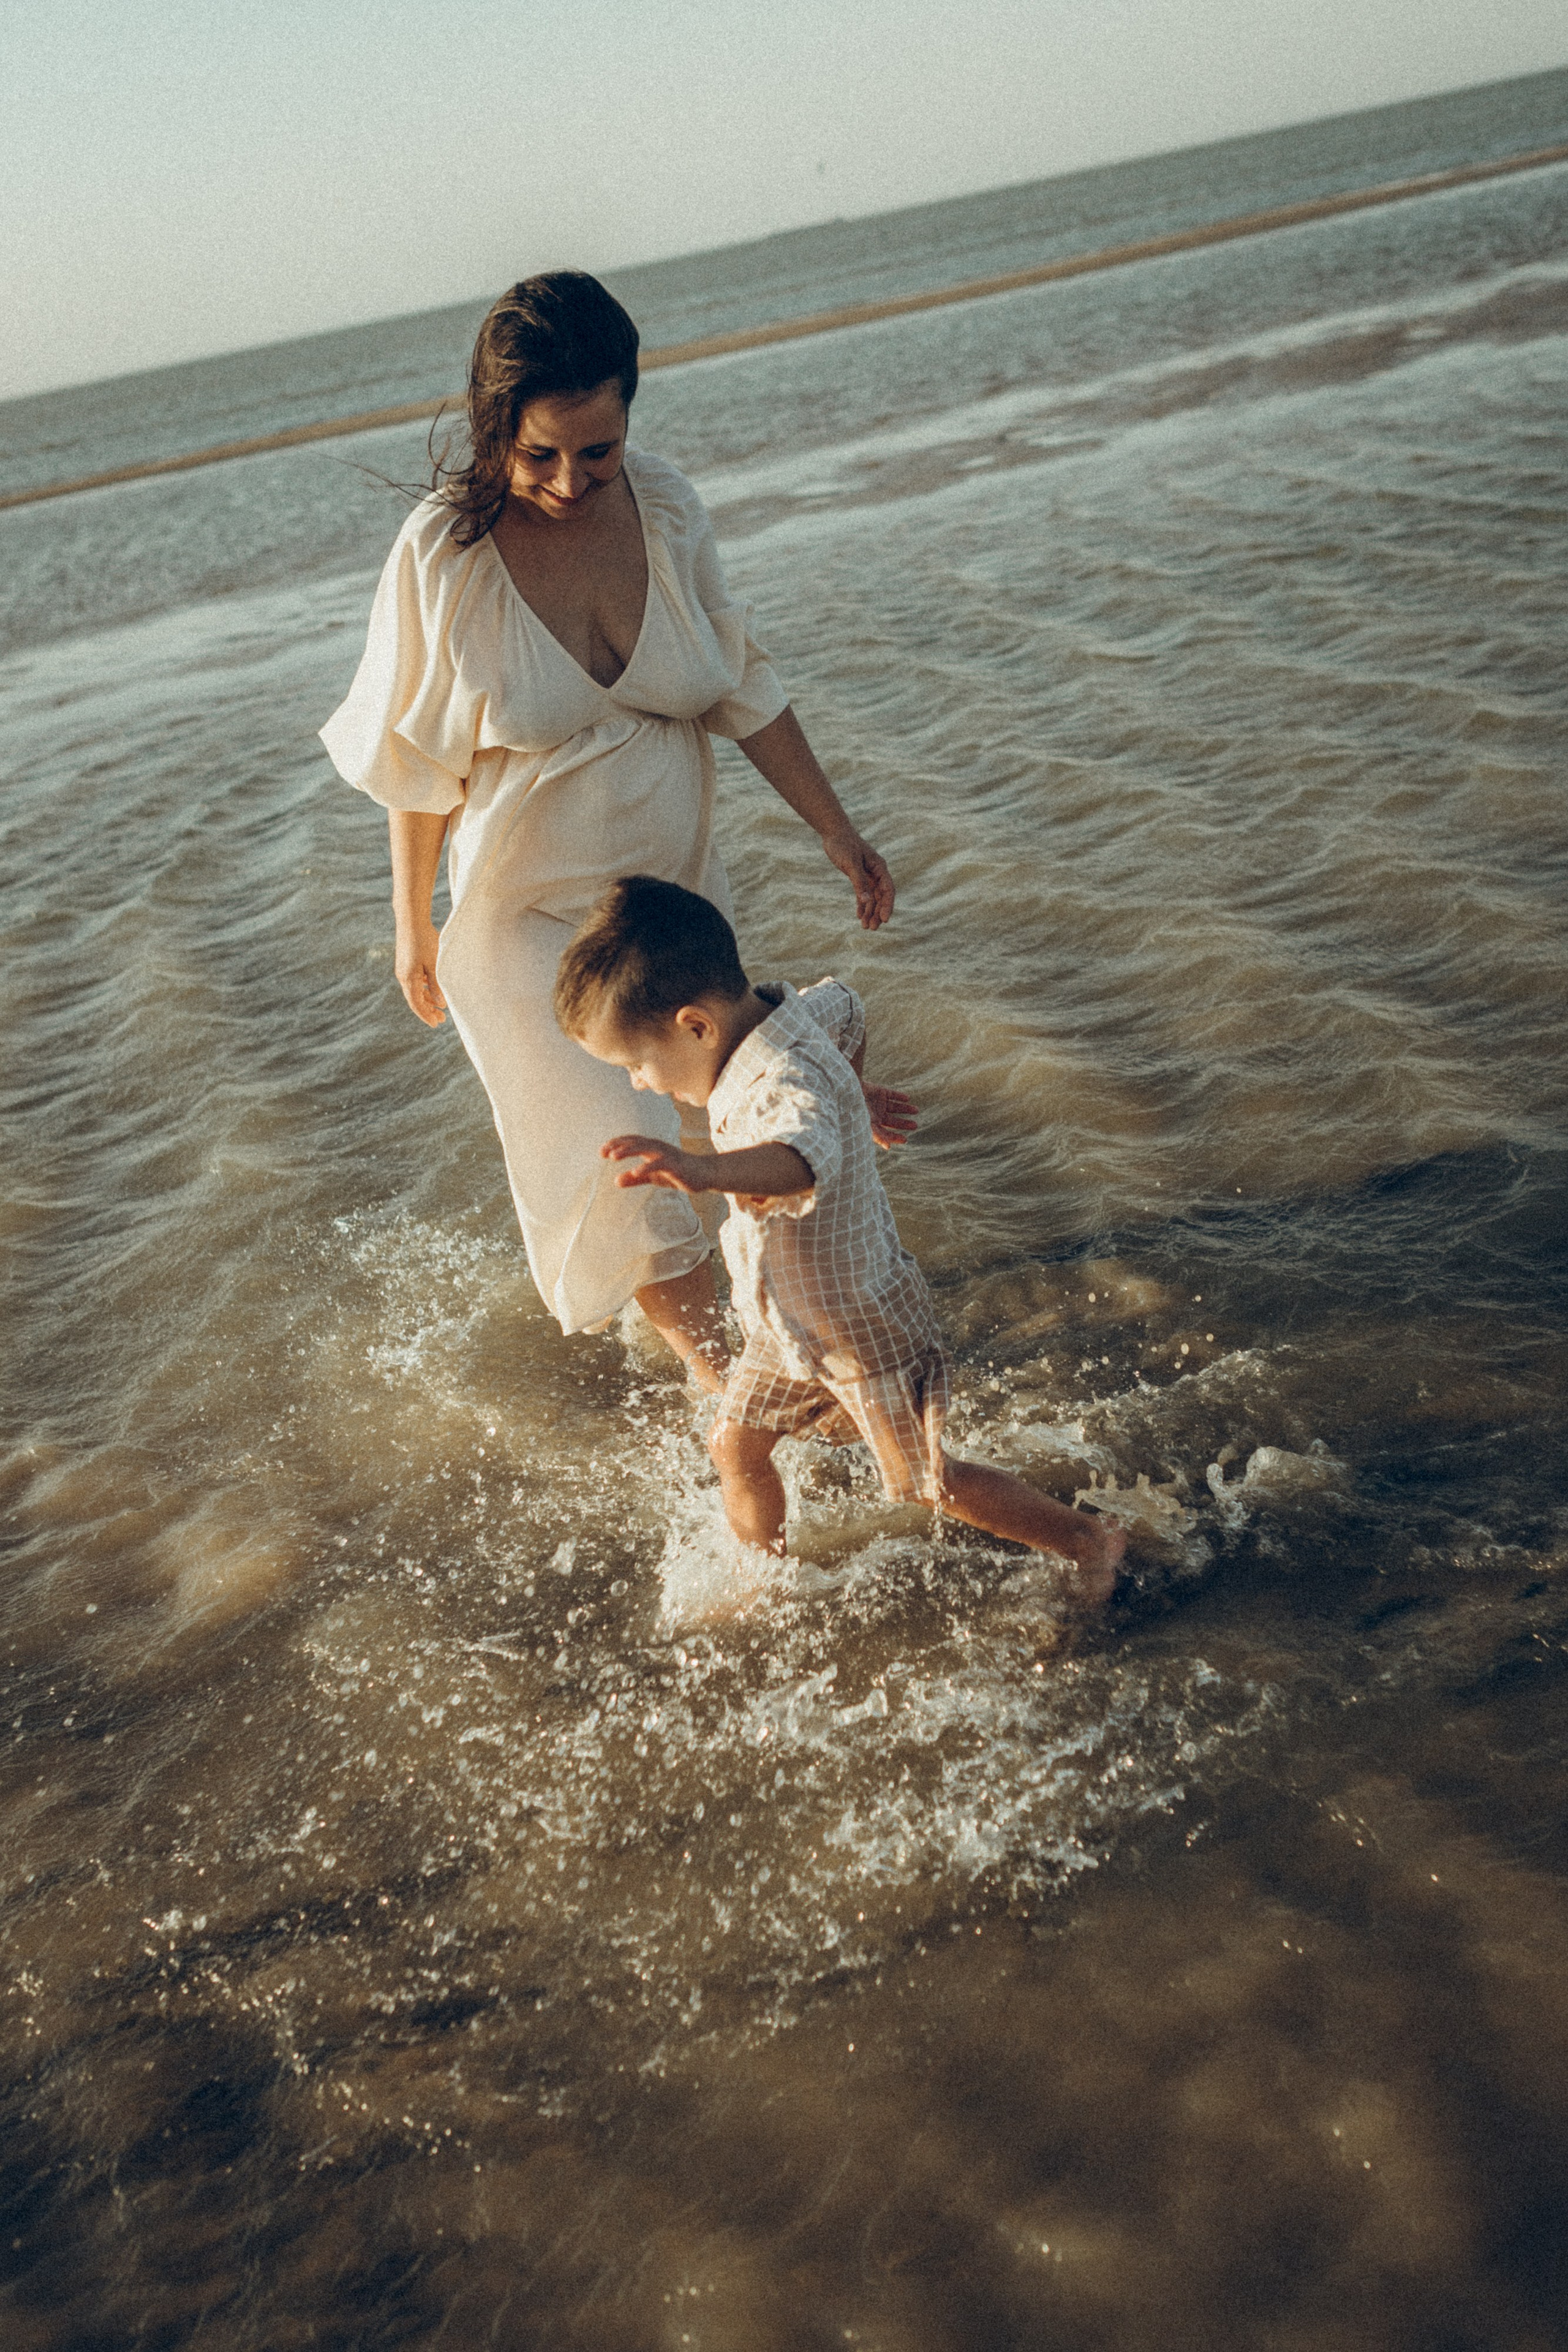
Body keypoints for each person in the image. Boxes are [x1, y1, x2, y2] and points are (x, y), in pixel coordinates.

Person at [319, 271, 893, 1386]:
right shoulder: (445, 555)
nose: (572, 480)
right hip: (530, 925)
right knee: (611, 1166)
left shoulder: (668, 508)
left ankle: (760, 1368)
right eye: (542, 455)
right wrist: (410, 925)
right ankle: (728, 1391)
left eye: (600, 451)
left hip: (673, 904)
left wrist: (837, 828)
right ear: (497, 428)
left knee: (726, 1123)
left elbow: (742, 686)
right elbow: (413, 763)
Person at [554, 876, 1127, 1604]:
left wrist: (703, 1169)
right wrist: (852, 1093)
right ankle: (763, 1583)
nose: (639, 1083)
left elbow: (797, 1158)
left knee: (928, 1481)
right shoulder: (785, 1018)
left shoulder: (776, 1083)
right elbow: (847, 1007)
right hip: (788, 1322)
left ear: (696, 1025)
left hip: (857, 1323)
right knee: (734, 1443)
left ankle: (1086, 1540)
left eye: (636, 1064)